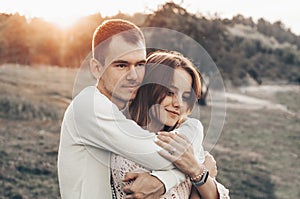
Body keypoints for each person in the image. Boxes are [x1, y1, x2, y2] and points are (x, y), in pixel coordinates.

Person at [58, 19, 209, 199]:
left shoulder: (126, 113)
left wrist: (194, 137)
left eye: (139, 64)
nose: (134, 76)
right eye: (121, 65)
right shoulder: (89, 106)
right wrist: (196, 167)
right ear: (97, 68)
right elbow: (162, 157)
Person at [110, 51, 229, 198]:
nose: (178, 104)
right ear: (148, 86)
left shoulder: (183, 140)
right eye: (170, 92)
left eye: (185, 97)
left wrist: (198, 171)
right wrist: (200, 170)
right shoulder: (126, 148)